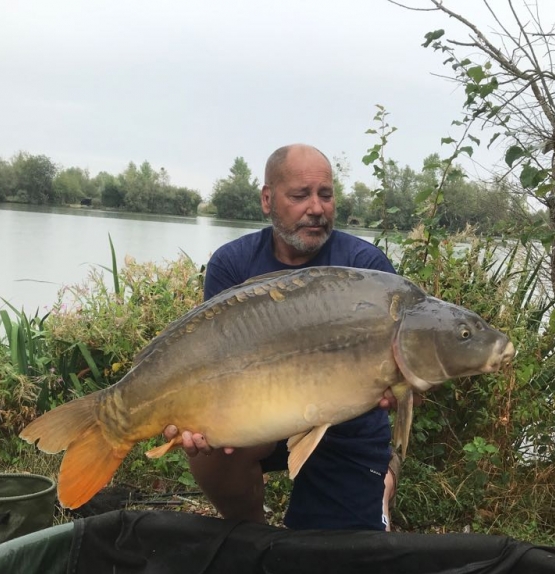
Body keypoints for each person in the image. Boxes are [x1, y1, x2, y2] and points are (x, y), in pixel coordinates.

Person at [164, 143, 401, 531]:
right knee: (209, 452)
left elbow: (404, 357)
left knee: (335, 560)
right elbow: (215, 363)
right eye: (300, 195)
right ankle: (255, 537)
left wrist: (400, 381)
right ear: (268, 199)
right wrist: (196, 416)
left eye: (325, 195)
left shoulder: (365, 268)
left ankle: (381, 484)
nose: (317, 208)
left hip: (345, 426)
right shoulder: (232, 264)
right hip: (261, 415)